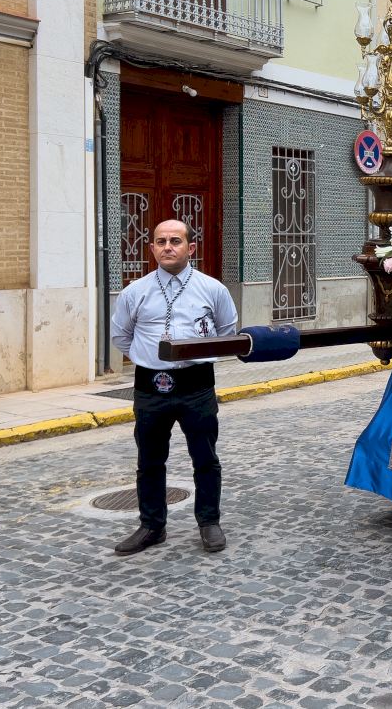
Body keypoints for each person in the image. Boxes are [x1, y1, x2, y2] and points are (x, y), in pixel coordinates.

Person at [110, 219, 238, 556]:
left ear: (190, 248)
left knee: (205, 457)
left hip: (196, 385)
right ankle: (152, 526)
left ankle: (209, 522)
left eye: (175, 241)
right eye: (161, 241)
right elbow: (121, 336)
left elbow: (226, 332)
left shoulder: (213, 289)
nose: (168, 247)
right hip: (150, 387)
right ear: (152, 248)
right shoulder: (134, 292)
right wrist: (151, 358)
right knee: (149, 460)